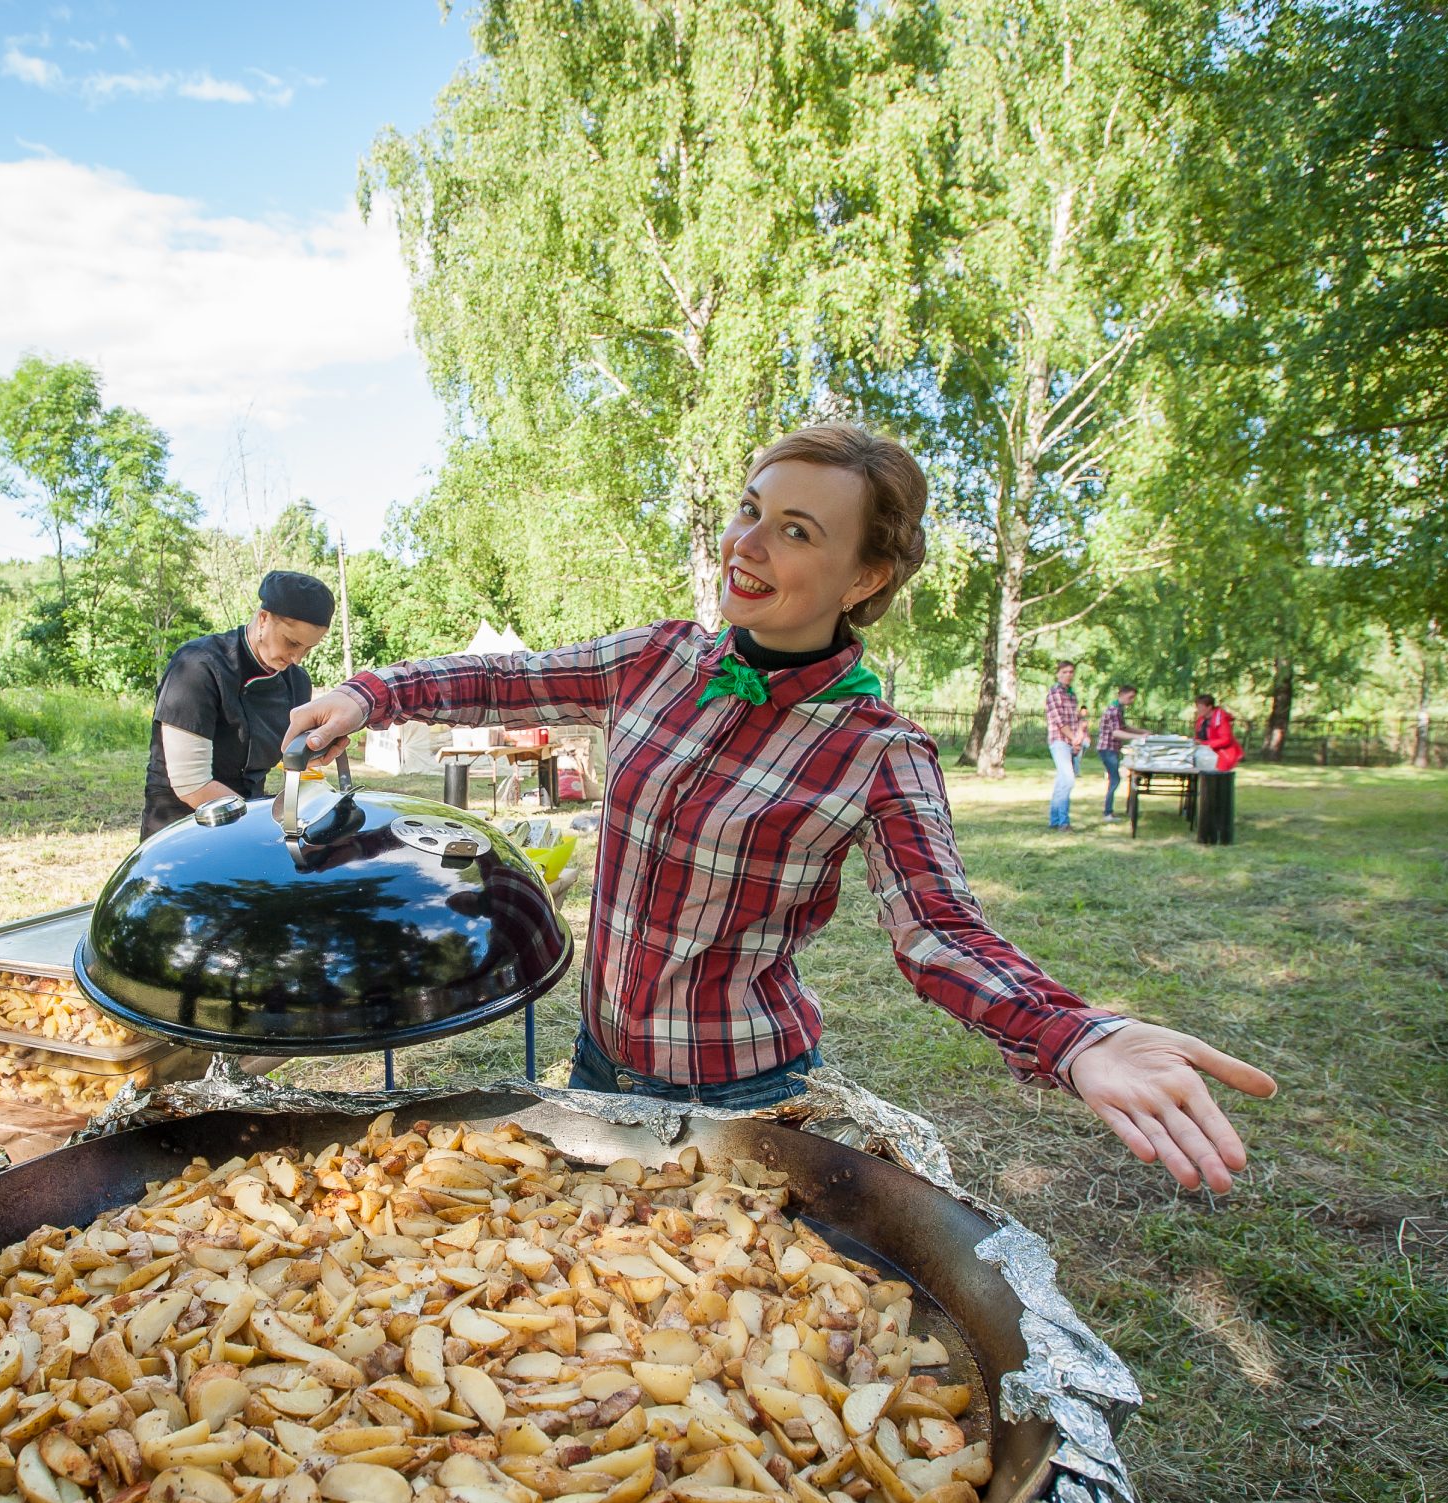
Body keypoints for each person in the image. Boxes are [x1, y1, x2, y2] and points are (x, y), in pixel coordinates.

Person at [286, 424, 1274, 1192]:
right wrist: (371, 693)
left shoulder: (877, 750)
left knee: (709, 1313)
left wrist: (1075, 1035)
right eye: (750, 509)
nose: (746, 545)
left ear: (866, 576)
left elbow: (938, 929)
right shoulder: (658, 661)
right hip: (599, 1061)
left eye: (796, 531)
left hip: (741, 1089)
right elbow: (508, 682)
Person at [139, 570, 334, 840]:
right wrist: (262, 827)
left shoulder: (297, 683)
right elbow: (192, 784)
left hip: (246, 825)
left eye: (308, 649)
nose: (297, 658)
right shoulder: (198, 667)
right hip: (182, 829)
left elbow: (300, 767)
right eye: (292, 642)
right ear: (263, 619)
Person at [1044, 662, 1087, 831]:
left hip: (1072, 741)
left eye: (1071, 672)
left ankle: (1054, 821)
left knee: (1062, 781)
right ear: (1058, 674)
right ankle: (1064, 822)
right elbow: (1059, 721)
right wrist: (1074, 739)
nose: (1068, 675)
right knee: (1068, 780)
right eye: (1064, 672)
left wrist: (1078, 739)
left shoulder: (1072, 695)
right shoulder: (1055, 693)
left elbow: (1074, 720)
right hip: (1059, 741)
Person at [1096, 685, 1148, 821]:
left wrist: (1142, 732)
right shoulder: (1113, 710)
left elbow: (1123, 727)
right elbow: (1116, 732)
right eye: (1130, 697)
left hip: (1112, 748)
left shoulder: (1118, 709)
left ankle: (1109, 811)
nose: (1131, 700)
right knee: (1115, 779)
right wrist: (1138, 737)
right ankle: (1107, 812)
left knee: (1114, 779)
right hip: (1107, 748)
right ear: (1121, 694)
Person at [1193, 693, 1242, 771]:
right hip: (1206, 754)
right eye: (1197, 706)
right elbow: (1198, 737)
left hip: (1223, 755)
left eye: (1200, 707)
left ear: (1209, 707)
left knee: (1215, 780)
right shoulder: (1201, 720)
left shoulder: (1221, 719)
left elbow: (1226, 740)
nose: (1197, 709)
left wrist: (1204, 744)